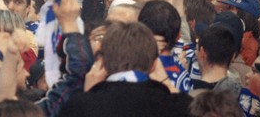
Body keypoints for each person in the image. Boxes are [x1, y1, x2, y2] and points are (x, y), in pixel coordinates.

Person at [58, 22, 192, 116]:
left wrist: (89, 94)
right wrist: (166, 82)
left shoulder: (80, 105)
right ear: (154, 64)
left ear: (102, 62)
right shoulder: (180, 106)